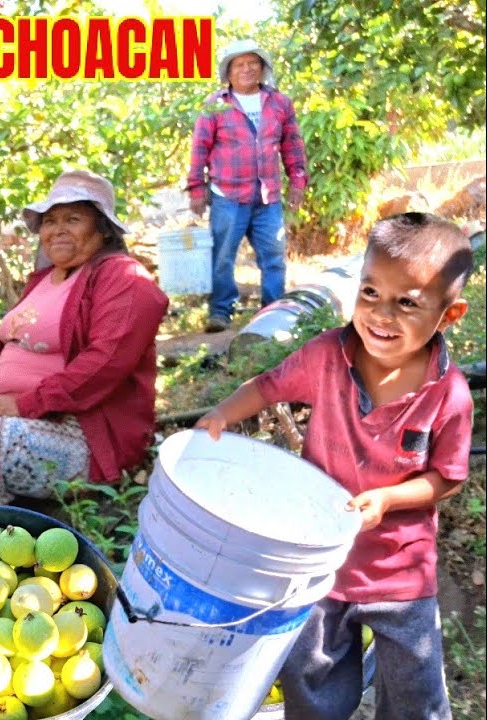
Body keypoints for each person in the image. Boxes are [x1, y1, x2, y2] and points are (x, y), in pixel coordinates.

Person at [196, 212, 473, 720]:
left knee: (415, 690)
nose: (381, 314)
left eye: (407, 302)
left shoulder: (448, 395)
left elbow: (446, 479)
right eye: (370, 293)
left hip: (399, 568)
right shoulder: (327, 356)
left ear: (447, 315)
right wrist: (219, 415)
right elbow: (268, 386)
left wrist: (389, 499)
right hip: (318, 558)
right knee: (310, 676)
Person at [0, 170, 168, 526]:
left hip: (78, 429)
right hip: (15, 415)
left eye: (73, 219)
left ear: (103, 228)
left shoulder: (124, 279)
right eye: (50, 221)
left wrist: (24, 403)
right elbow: (10, 344)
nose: (58, 229)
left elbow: (105, 365)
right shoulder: (44, 279)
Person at [187, 38, 309, 333]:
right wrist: (196, 188)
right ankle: (220, 312)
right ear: (228, 72)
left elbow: (292, 145)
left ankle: (272, 314)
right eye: (239, 64)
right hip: (228, 194)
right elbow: (199, 148)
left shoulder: (279, 103)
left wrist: (298, 181)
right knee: (222, 257)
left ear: (262, 68)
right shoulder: (215, 105)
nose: (246, 69)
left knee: (274, 257)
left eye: (252, 62)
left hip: (268, 197)